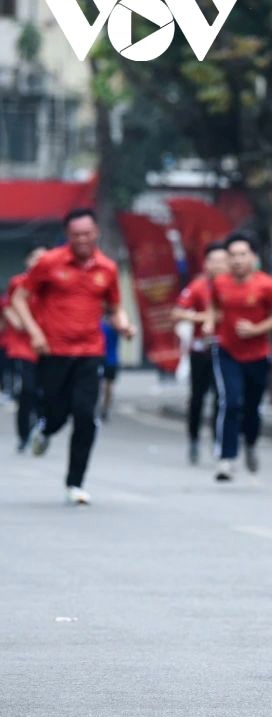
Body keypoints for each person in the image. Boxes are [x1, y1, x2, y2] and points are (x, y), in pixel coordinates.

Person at [10, 209, 136, 505]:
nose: (82, 239)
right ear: (68, 235)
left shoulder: (107, 268)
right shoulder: (50, 263)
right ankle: (46, 428)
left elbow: (114, 307)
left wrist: (124, 324)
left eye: (87, 233)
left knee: (85, 415)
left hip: (90, 352)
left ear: (96, 233)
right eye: (76, 234)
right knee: (57, 411)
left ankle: (75, 482)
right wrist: (35, 332)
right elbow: (19, 298)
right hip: (53, 352)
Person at [203, 232, 272, 482]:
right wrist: (209, 323)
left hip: (258, 355)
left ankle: (250, 442)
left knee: (252, 407)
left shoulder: (266, 285)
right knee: (230, 402)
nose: (238, 260)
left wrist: (256, 329)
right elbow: (214, 307)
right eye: (233, 255)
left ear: (253, 257)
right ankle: (225, 459)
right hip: (227, 351)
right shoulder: (220, 283)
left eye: (242, 254)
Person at [172, 241, 230, 464]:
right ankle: (194, 440)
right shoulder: (198, 286)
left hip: (225, 349)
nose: (219, 265)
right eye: (214, 261)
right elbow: (177, 313)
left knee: (221, 398)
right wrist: (202, 317)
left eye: (223, 260)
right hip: (201, 351)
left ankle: (219, 442)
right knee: (197, 398)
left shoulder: (234, 286)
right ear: (206, 264)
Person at [4, 245, 47, 450]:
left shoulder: (52, 284)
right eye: (35, 258)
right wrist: (18, 321)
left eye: (44, 258)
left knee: (44, 390)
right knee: (28, 389)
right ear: (27, 261)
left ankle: (41, 427)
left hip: (48, 346)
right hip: (24, 345)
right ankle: (24, 434)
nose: (39, 262)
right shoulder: (18, 283)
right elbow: (8, 306)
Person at [98, 317, 119, 421]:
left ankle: (104, 407)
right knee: (108, 385)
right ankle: (105, 407)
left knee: (106, 385)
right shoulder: (115, 325)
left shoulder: (103, 325)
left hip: (107, 359)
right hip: (107, 359)